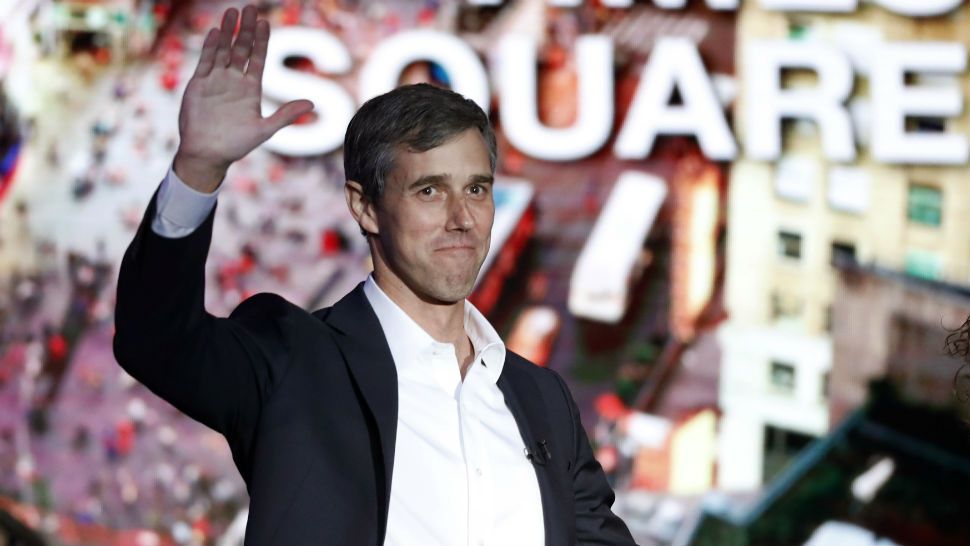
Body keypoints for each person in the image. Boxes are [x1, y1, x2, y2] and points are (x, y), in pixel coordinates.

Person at [113, 5, 636, 545]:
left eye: (476, 189)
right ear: (365, 208)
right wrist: (198, 170)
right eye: (429, 190)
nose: (462, 218)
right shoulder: (295, 362)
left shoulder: (541, 398)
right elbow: (156, 340)